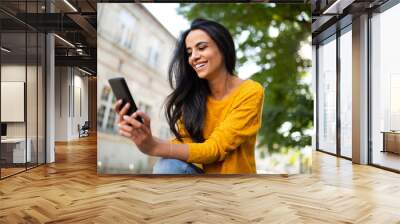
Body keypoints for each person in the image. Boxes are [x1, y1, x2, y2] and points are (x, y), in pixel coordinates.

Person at [115, 18, 264, 174]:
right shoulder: (193, 98)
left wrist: (154, 146)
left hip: (236, 189)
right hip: (201, 186)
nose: (194, 57)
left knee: (167, 166)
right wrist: (145, 138)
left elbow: (215, 149)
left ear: (223, 48)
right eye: (189, 52)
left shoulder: (250, 91)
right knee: (168, 165)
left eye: (202, 47)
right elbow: (183, 146)